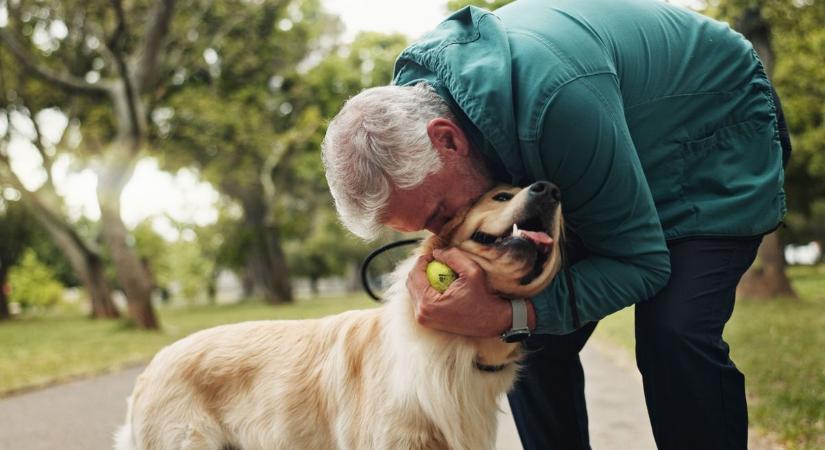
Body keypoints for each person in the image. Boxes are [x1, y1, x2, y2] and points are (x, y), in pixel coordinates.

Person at [321, 0, 789, 448]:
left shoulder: (553, 103)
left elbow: (642, 264)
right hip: (599, 138)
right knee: (531, 344)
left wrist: (506, 315)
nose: (442, 235)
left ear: (447, 141)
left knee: (674, 332)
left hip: (712, 129)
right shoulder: (416, 103)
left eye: (441, 214)